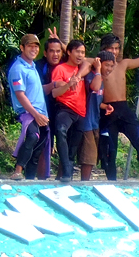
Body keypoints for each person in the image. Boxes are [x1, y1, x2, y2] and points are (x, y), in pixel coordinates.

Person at [99, 31, 139, 184]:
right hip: (108, 110)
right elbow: (78, 56)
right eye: (111, 48)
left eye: (116, 48)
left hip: (124, 109)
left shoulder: (123, 64)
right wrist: (62, 44)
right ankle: (112, 181)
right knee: (110, 150)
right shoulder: (98, 65)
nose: (114, 52)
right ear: (104, 49)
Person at [49, 39, 97, 182]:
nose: (80, 55)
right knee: (61, 130)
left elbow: (93, 61)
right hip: (65, 108)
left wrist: (78, 75)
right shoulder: (60, 68)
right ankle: (67, 169)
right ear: (69, 52)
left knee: (73, 146)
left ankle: (66, 174)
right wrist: (69, 84)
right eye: (77, 51)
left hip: (81, 112)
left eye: (83, 52)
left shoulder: (83, 68)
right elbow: (54, 93)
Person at [8, 34, 50, 180]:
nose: (34, 49)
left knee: (38, 147)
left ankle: (30, 179)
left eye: (36, 46)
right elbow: (20, 94)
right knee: (32, 136)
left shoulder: (32, 67)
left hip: (41, 113)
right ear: (22, 47)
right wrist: (35, 114)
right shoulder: (18, 68)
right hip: (28, 112)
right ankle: (17, 171)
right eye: (30, 46)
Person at [75, 51, 111, 181]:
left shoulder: (100, 77)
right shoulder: (93, 75)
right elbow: (94, 87)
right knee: (88, 157)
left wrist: (105, 106)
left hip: (95, 121)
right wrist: (98, 69)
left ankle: (84, 181)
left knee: (91, 157)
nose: (109, 69)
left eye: (112, 66)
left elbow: (96, 99)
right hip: (86, 121)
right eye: (107, 65)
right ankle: (84, 183)